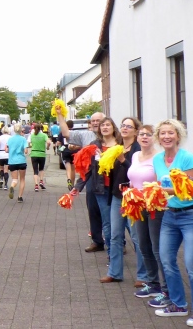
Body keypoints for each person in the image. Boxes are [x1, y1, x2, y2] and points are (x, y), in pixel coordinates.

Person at [151, 120, 193, 326]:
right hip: (170, 215)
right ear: (158, 137)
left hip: (192, 214)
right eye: (163, 133)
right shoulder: (157, 159)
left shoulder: (187, 158)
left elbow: (192, 190)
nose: (166, 136)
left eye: (171, 133)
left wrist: (160, 191)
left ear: (178, 136)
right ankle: (178, 304)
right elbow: (159, 185)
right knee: (166, 260)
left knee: (192, 264)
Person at [71, 117, 121, 280]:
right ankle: (112, 257)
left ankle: (140, 262)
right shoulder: (95, 146)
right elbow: (88, 169)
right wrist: (77, 187)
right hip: (101, 189)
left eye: (108, 125)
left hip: (119, 190)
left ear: (113, 128)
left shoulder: (121, 145)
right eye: (102, 125)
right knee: (107, 224)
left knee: (126, 226)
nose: (105, 127)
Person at [129, 125, 170, 308]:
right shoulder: (135, 155)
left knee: (157, 247)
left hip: (155, 206)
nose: (144, 137)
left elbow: (163, 180)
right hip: (138, 205)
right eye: (142, 134)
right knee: (143, 245)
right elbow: (134, 179)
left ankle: (166, 289)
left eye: (148, 134)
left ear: (154, 138)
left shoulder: (159, 158)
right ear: (137, 137)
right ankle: (152, 283)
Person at [58, 110, 105, 252]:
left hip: (109, 178)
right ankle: (97, 241)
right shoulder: (86, 135)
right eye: (93, 121)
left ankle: (120, 242)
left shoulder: (113, 137)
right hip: (91, 177)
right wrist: (59, 114)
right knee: (93, 209)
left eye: (98, 120)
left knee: (112, 211)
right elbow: (66, 133)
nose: (95, 123)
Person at [108, 117, 142, 285]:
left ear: (136, 131)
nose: (125, 128)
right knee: (115, 235)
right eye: (123, 125)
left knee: (136, 237)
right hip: (117, 196)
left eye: (129, 126)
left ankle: (143, 275)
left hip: (132, 197)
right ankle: (114, 273)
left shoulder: (138, 149)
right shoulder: (118, 147)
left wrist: (122, 160)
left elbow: (137, 172)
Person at [6, 124, 29, 202]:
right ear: (21, 130)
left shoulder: (10, 139)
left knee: (15, 180)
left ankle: (12, 186)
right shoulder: (23, 139)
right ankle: (20, 197)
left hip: (12, 161)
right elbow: (26, 151)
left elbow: (7, 150)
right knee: (22, 179)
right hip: (21, 161)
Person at [29, 123, 50, 192]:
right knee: (41, 169)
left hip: (34, 154)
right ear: (41, 128)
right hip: (42, 154)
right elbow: (48, 142)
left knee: (35, 170)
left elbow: (29, 143)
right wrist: (47, 147)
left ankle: (36, 185)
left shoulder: (32, 135)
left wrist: (32, 145)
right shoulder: (44, 135)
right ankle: (41, 181)